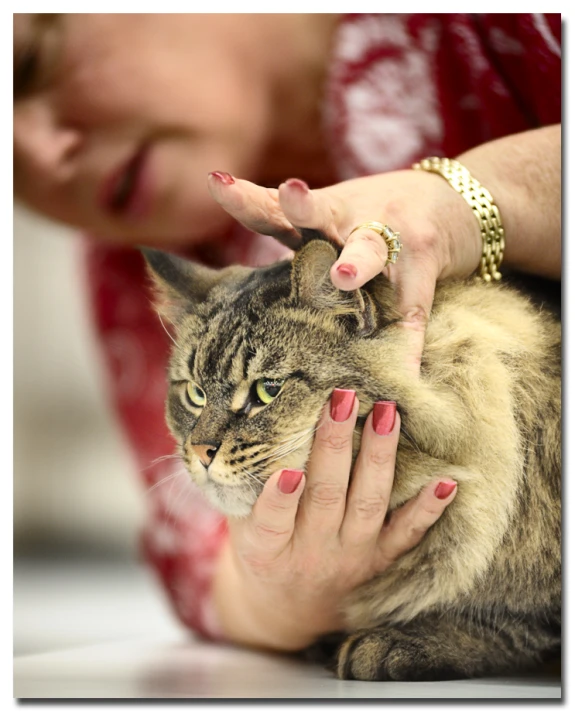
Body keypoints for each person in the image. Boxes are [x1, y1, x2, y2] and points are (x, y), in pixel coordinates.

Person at [13, 13, 561, 650]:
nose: (44, 152)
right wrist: (279, 590)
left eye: (29, 65)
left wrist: (484, 200)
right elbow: (193, 561)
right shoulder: (130, 253)